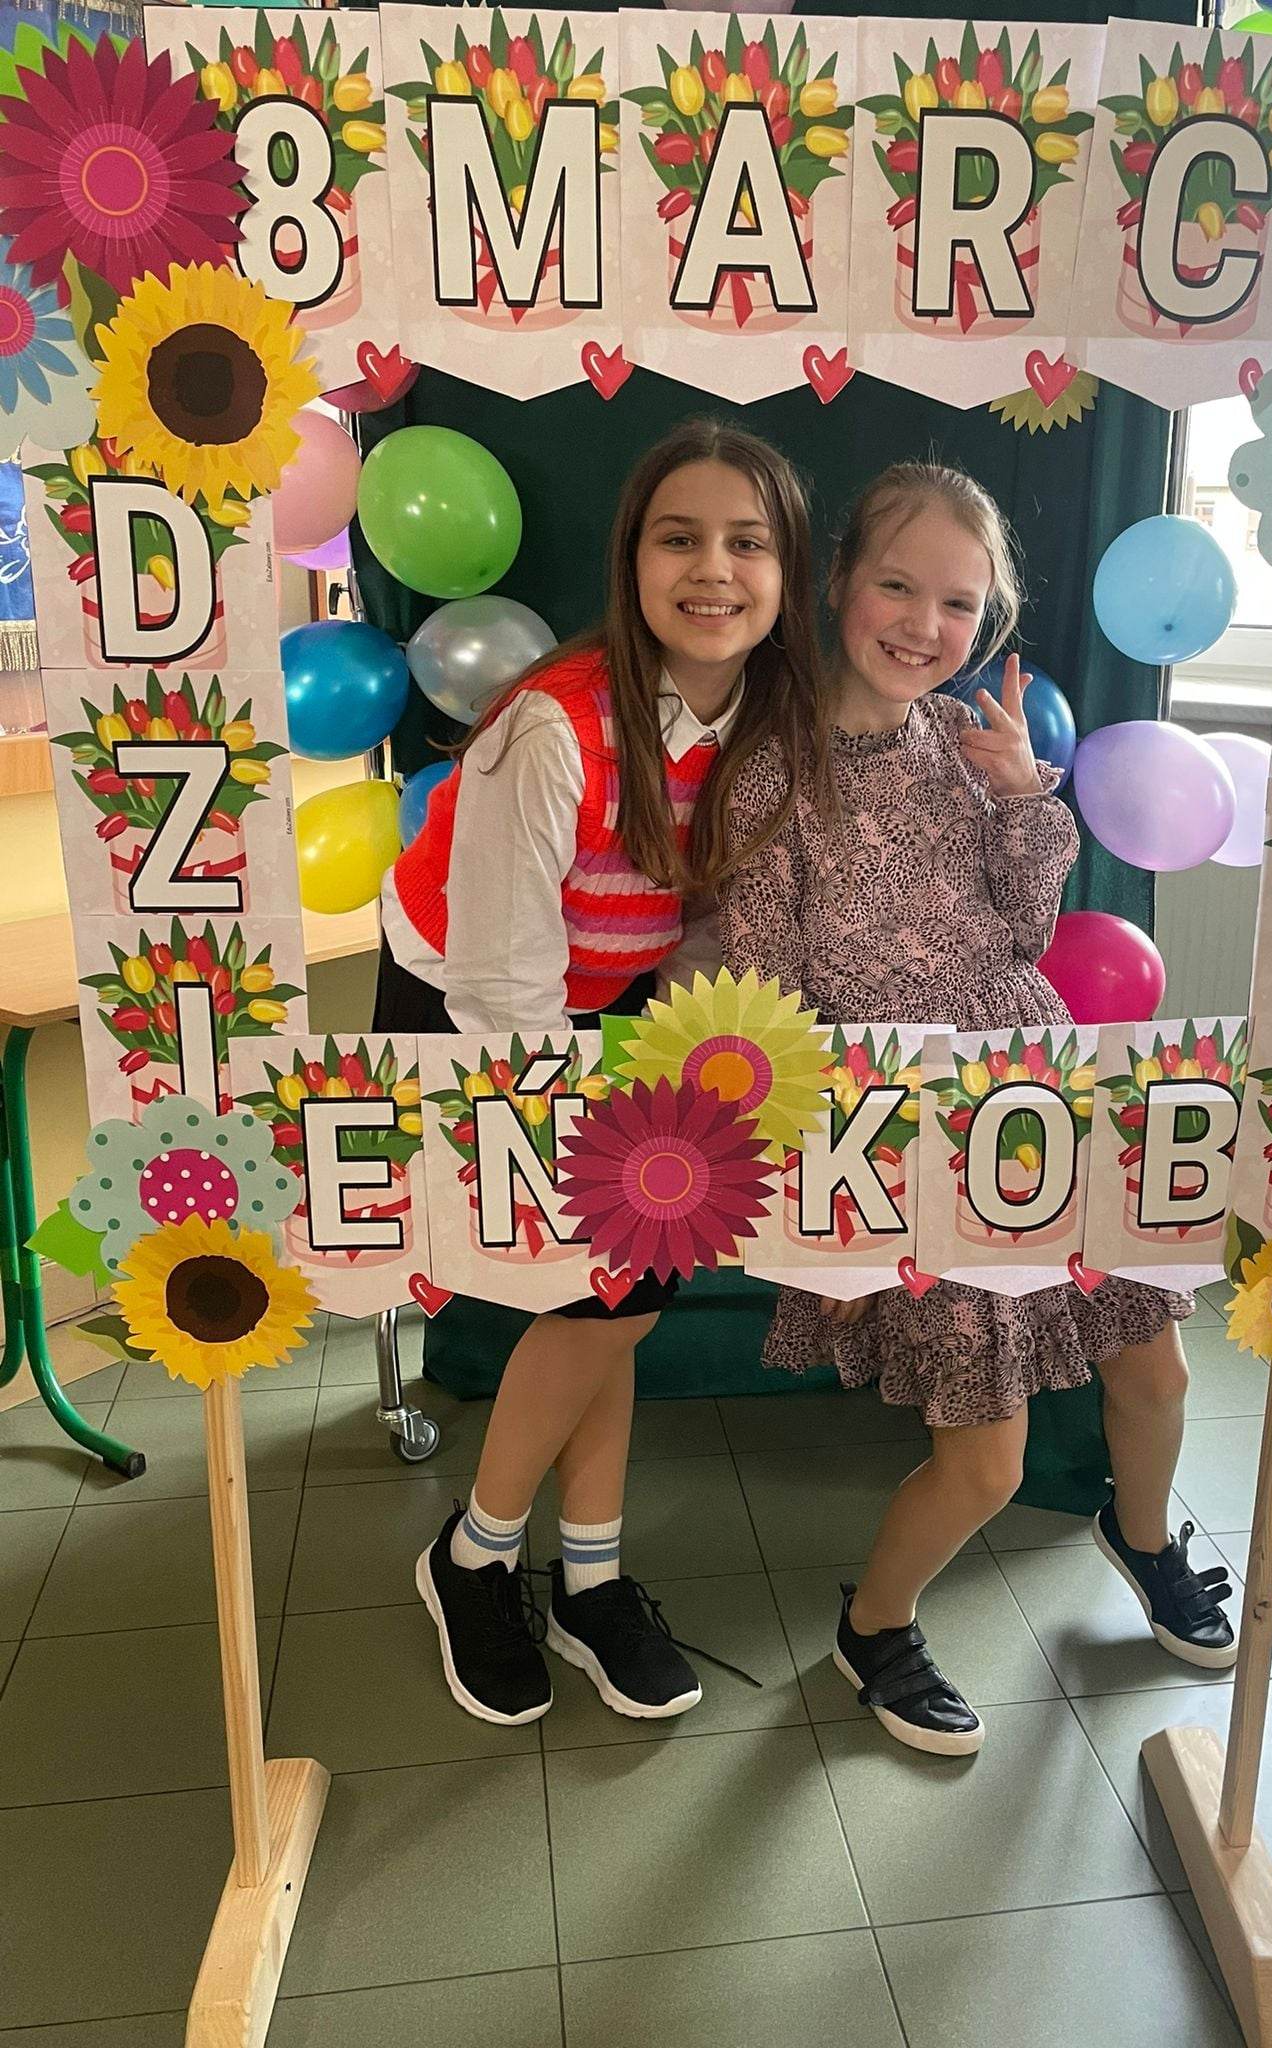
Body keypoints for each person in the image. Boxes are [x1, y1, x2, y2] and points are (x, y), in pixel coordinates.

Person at [718, 461, 1235, 1758]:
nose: (924, 624)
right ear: (839, 580)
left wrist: (1020, 799)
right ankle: (875, 1623)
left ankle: (1145, 1535)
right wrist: (833, 1216)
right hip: (905, 1137)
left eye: (959, 603)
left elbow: (1026, 927)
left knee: (1156, 1366)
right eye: (898, 586)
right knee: (988, 1459)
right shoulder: (771, 775)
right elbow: (769, 1017)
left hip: (1039, 1097)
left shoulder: (964, 738)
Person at [376, 420, 831, 1727]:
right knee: (603, 1291)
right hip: (474, 1000)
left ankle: (588, 1575)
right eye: (679, 538)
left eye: (748, 543)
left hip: (622, 994)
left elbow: (715, 923)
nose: (714, 569)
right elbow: (502, 979)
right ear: (632, 560)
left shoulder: (773, 720)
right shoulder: (551, 727)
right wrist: (553, 1126)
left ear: (789, 573)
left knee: (625, 1291)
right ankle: (473, 1557)